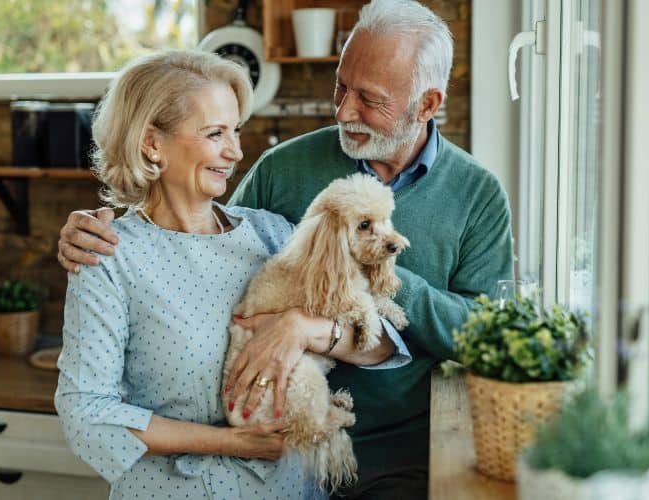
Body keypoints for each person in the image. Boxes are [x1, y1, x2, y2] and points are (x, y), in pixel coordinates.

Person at [58, 1, 515, 497]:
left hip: (388, 457)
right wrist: (100, 228)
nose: (342, 111)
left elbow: (443, 338)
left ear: (426, 105)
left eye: (369, 98)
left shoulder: (473, 196)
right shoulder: (278, 177)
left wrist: (331, 310)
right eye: (341, 86)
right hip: (256, 469)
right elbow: (186, 227)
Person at [54, 49, 410, 500]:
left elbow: (380, 346)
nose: (235, 151)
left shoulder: (271, 233)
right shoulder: (107, 256)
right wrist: (232, 443)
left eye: (236, 131)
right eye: (214, 133)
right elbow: (85, 411)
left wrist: (303, 329)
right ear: (151, 143)